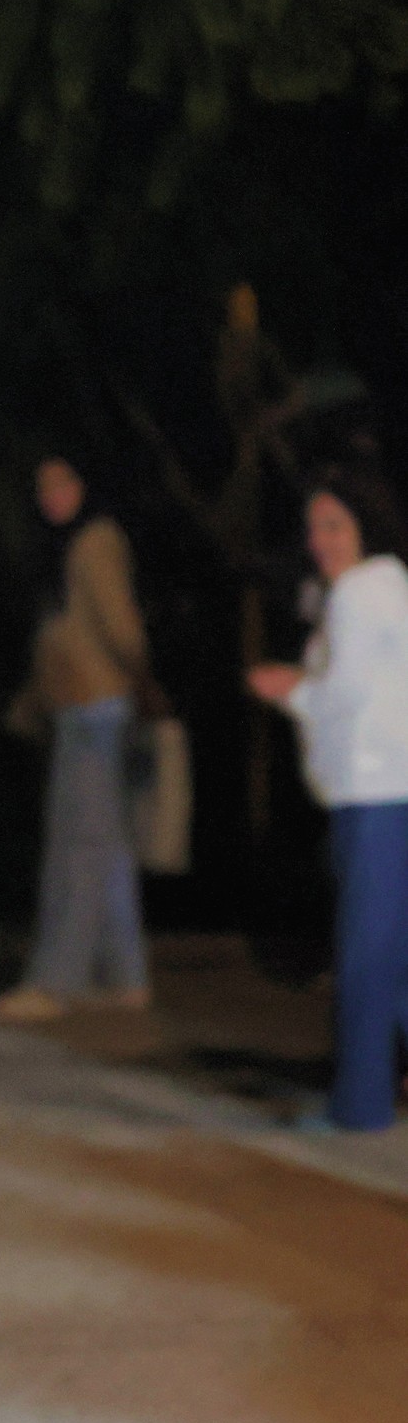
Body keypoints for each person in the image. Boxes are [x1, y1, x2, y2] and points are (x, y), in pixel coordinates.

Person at [250, 466, 408, 1130]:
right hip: (389, 790)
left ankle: (360, 1106)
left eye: (334, 525)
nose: (320, 540)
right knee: (393, 955)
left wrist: (290, 689)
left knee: (368, 958)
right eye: (314, 527)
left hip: (372, 794)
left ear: (365, 525)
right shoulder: (389, 586)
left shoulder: (357, 592)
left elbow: (342, 694)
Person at [0, 456, 151, 1023]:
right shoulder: (68, 544)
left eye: (63, 483)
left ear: (86, 485)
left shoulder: (95, 540)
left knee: (77, 847)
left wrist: (142, 682)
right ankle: (128, 980)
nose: (52, 496)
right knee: (106, 848)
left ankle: (53, 983)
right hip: (80, 708)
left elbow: (121, 627)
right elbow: (63, 635)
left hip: (96, 710)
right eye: (43, 487)